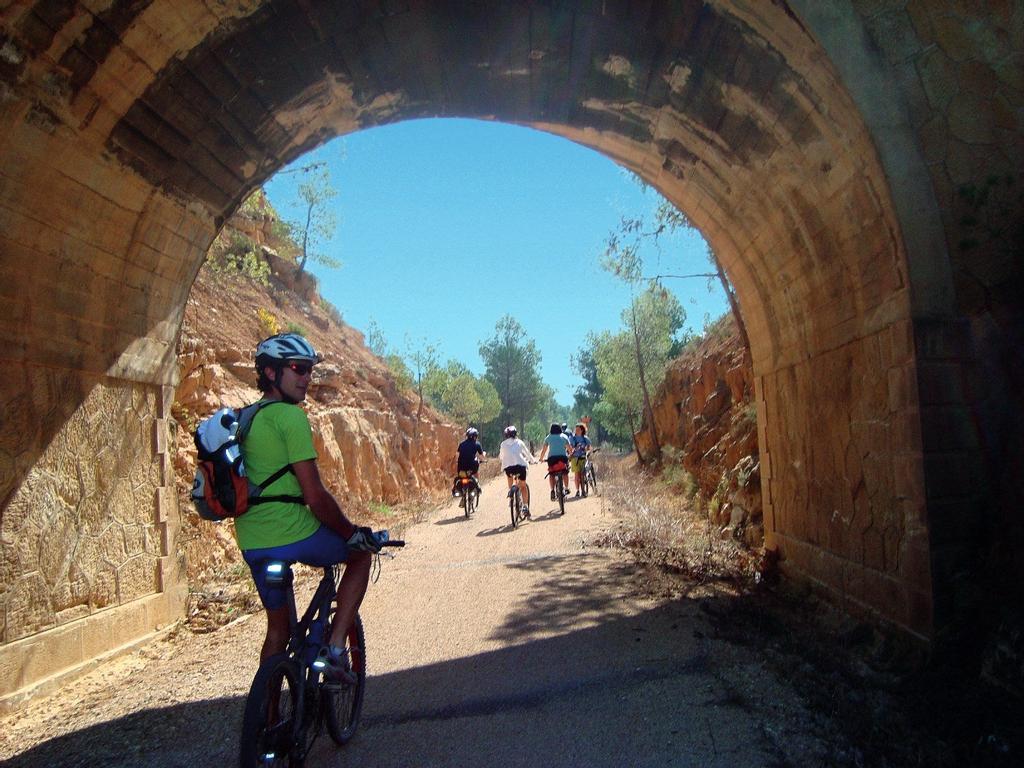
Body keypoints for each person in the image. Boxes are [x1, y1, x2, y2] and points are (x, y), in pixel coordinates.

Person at [237, 332, 380, 682]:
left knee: (277, 633)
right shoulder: (290, 418)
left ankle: (267, 724)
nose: (306, 378)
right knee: (359, 555)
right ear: (271, 373)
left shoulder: (245, 417)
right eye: (298, 369)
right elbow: (314, 496)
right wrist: (352, 533)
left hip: (251, 539)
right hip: (293, 531)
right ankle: (333, 649)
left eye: (309, 371)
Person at [498, 425, 534, 518]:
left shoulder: (503, 444)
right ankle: (525, 506)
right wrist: (532, 460)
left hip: (509, 468)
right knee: (523, 486)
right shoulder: (519, 442)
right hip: (520, 466)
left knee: (509, 476)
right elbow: (527, 453)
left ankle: (511, 493)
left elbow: (501, 457)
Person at [537, 423, 572, 501]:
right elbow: (569, 449)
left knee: (552, 474)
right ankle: (566, 488)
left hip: (552, 459)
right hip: (563, 457)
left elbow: (544, 450)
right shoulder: (564, 436)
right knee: (565, 472)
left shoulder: (548, 437)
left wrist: (541, 459)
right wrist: (570, 455)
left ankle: (552, 490)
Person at [452, 427, 485, 507]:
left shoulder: (461, 444)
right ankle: (477, 488)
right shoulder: (477, 444)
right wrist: (483, 457)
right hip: (472, 468)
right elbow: (481, 457)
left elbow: (457, 456)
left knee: (460, 477)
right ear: (475, 436)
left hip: (461, 468)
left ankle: (462, 493)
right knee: (475, 474)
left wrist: (456, 462)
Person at [569, 423, 593, 497]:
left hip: (583, 457)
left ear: (582, 430)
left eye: (578, 429)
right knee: (576, 475)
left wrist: (587, 449)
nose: (576, 431)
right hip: (575, 458)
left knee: (583, 473)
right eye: (576, 429)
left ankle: (584, 485)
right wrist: (574, 449)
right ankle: (577, 490)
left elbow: (589, 447)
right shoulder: (572, 438)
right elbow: (570, 447)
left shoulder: (585, 438)